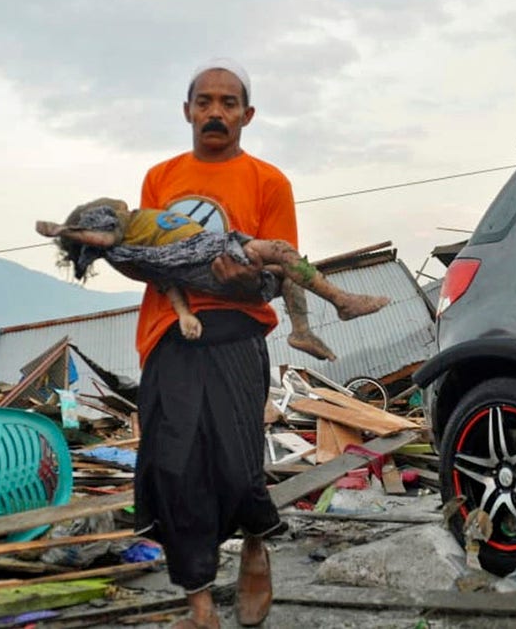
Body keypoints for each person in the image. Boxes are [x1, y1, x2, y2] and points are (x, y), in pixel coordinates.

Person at [128, 58, 300, 629]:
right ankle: (200, 604)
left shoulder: (268, 182)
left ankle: (254, 546)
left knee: (236, 463)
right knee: (173, 467)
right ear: (187, 112)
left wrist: (247, 281)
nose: (215, 113)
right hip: (170, 332)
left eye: (228, 103)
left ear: (247, 116)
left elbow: (282, 271)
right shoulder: (159, 177)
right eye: (205, 102)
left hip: (237, 331)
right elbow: (150, 257)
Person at [35, 197, 390, 361]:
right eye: (111, 208)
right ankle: (343, 302)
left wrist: (184, 314)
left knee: (287, 272)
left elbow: (162, 278)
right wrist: (65, 231)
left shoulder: (136, 231)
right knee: (281, 250)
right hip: (205, 255)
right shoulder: (120, 242)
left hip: (210, 247)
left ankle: (301, 331)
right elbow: (155, 271)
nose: (120, 204)